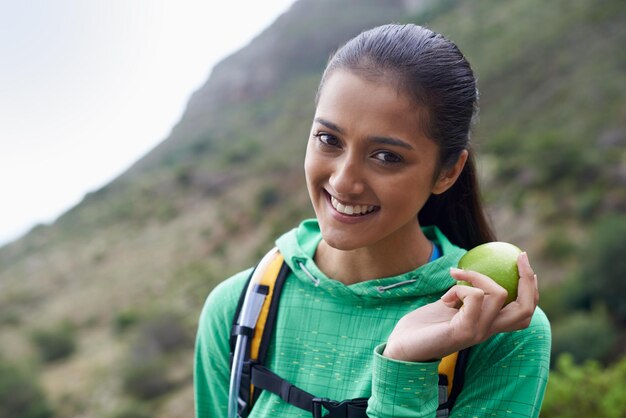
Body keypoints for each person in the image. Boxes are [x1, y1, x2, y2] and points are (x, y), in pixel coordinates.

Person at [194, 23, 551, 418]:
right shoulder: (237, 309)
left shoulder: (501, 334)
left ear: (447, 172)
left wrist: (403, 367)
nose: (344, 181)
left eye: (386, 156)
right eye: (329, 139)